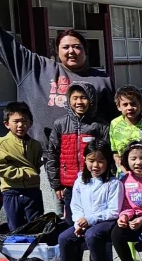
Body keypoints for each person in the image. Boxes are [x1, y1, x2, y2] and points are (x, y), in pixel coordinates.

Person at [0, 0, 114, 144]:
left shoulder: (102, 80)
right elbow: (4, 44)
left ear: (86, 51)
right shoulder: (35, 68)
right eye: (65, 47)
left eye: (77, 47)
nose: (71, 51)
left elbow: (113, 121)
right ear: (56, 51)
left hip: (89, 157)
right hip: (41, 156)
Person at [56, 147, 121, 261]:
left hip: (106, 222)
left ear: (108, 162)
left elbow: (113, 211)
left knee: (92, 235)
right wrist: (79, 222)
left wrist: (90, 220)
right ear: (85, 160)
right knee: (64, 237)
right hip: (84, 222)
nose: (96, 166)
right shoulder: (80, 181)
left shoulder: (114, 183)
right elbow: (76, 205)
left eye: (101, 161)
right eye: (91, 161)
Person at [45, 84, 109, 222]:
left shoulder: (100, 125)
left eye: (84, 98)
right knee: (71, 224)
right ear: (69, 100)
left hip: (94, 184)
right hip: (69, 185)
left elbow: (107, 156)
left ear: (91, 100)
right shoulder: (60, 124)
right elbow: (52, 156)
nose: (79, 102)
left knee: (93, 221)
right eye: (75, 98)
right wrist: (57, 185)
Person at [0, 102, 45, 231]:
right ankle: (18, 250)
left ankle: (35, 249)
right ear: (7, 124)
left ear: (30, 123)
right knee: (16, 227)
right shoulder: (2, 144)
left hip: (32, 190)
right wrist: (24, 174)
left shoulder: (36, 145)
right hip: (11, 190)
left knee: (36, 225)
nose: (20, 125)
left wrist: (33, 175)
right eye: (16, 121)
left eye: (24, 121)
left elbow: (37, 164)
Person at [109, 87, 142, 170]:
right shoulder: (114, 124)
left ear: (141, 105)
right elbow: (115, 151)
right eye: (125, 104)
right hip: (125, 172)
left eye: (133, 104)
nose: (129, 108)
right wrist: (123, 168)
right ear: (118, 106)